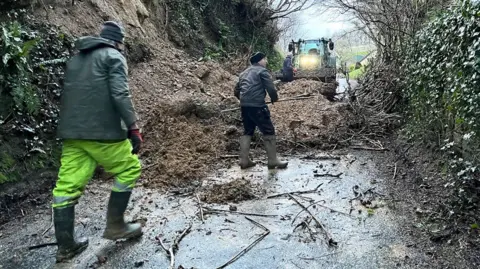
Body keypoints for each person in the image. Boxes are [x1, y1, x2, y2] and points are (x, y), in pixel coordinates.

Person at [52, 21, 143, 262]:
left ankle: (66, 246)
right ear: (118, 42)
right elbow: (120, 93)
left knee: (66, 187)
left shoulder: (75, 59)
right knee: (129, 168)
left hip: (72, 134)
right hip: (103, 132)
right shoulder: (113, 56)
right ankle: (116, 226)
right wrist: (133, 127)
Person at [234, 52, 288, 170]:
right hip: (257, 106)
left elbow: (236, 90)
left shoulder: (244, 73)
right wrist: (274, 98)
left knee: (248, 130)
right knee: (268, 130)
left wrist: (244, 100)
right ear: (259, 61)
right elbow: (270, 88)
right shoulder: (262, 71)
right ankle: (273, 161)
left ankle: (244, 161)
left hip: (244, 106)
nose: (266, 62)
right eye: (265, 59)